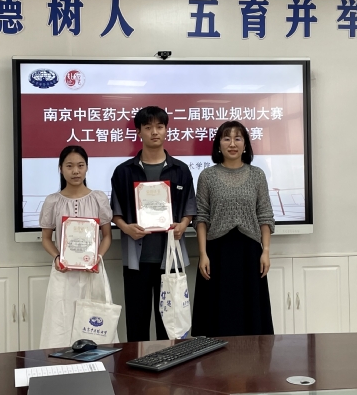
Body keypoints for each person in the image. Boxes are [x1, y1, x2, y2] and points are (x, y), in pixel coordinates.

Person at [111, 106, 197, 342]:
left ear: (167, 130)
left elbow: (190, 208)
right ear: (139, 132)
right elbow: (115, 212)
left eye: (159, 126)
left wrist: (183, 224)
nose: (154, 132)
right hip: (136, 261)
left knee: (170, 326)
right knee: (136, 322)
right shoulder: (123, 172)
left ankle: (170, 365)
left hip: (170, 259)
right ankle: (138, 366)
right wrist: (126, 228)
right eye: (148, 127)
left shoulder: (180, 170)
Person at [191, 121, 275, 337]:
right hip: (216, 253)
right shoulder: (207, 176)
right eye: (226, 138)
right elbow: (201, 218)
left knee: (250, 312)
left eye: (238, 138)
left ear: (245, 144)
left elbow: (265, 215)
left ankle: (252, 356)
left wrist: (265, 251)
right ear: (218, 144)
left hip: (250, 253)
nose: (232, 144)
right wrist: (203, 254)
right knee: (217, 312)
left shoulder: (257, 175)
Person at [39, 145, 115, 348]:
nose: (75, 171)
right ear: (60, 168)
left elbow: (107, 236)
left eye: (80, 166)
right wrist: (57, 257)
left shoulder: (98, 198)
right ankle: (61, 364)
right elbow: (46, 238)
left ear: (87, 168)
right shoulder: (52, 201)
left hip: (93, 271)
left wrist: (97, 258)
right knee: (61, 324)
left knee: (95, 324)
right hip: (63, 273)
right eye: (69, 166)